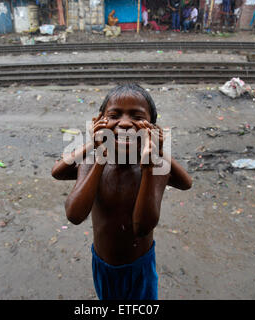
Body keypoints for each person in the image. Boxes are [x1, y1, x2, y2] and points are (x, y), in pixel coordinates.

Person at [51, 84, 192, 300]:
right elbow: (74, 213)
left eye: (136, 116)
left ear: (152, 128)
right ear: (99, 121)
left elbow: (143, 226)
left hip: (139, 267)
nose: (125, 123)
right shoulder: (91, 161)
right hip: (102, 264)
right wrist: (97, 150)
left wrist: (153, 158)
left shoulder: (155, 166)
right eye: (115, 114)